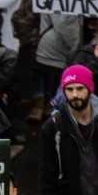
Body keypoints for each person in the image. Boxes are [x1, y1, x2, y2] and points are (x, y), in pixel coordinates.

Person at [40, 65, 98, 195]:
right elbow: (47, 177)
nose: (75, 95)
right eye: (69, 89)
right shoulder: (53, 127)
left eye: (80, 88)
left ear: (90, 89)